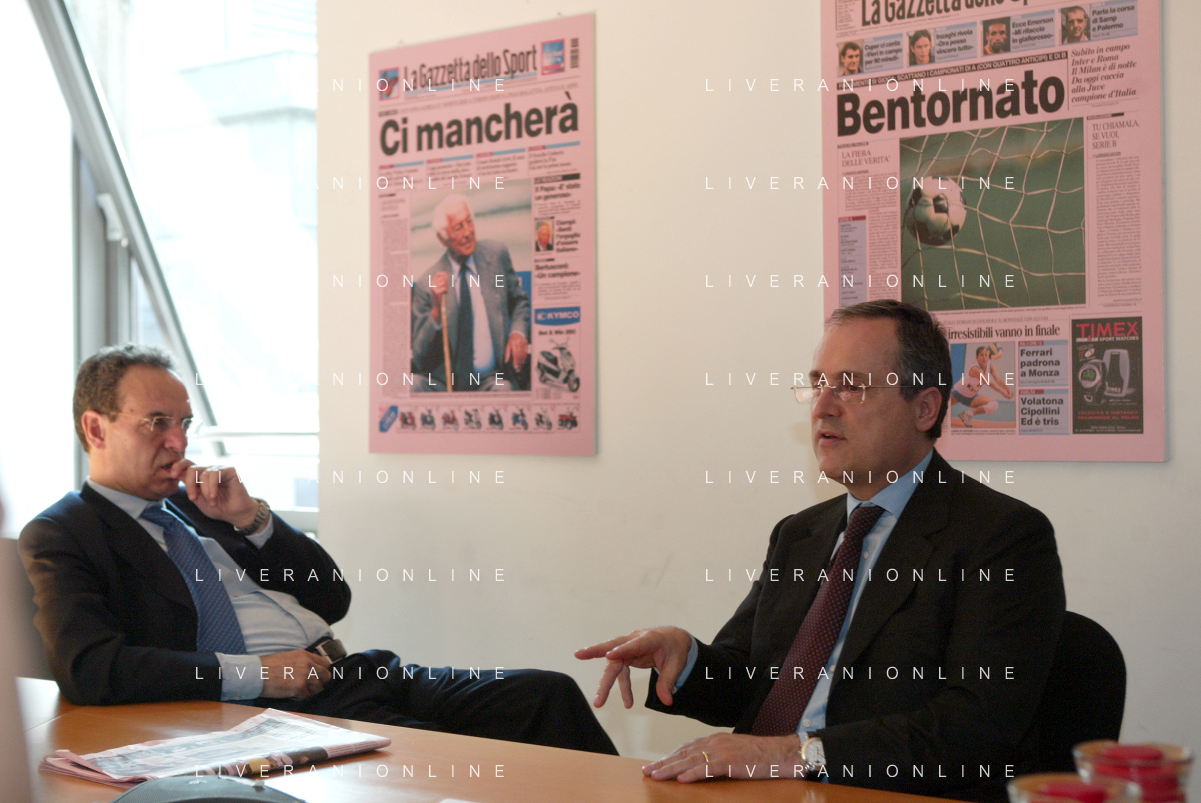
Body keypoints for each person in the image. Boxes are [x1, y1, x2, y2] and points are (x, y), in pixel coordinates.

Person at [20, 345, 615, 754]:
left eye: (185, 423)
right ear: (96, 429)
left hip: (354, 670)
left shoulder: (198, 503)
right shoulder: (63, 533)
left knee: (546, 695)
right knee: (447, 755)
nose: (179, 442)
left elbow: (332, 598)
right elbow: (91, 669)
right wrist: (263, 674)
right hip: (273, 710)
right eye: (156, 423)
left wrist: (252, 519)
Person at [577, 300, 1065, 800]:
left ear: (924, 408)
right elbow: (753, 684)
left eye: (851, 387)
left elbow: (977, 729)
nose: (822, 407)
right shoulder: (799, 534)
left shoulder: (1002, 537)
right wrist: (685, 657)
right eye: (818, 385)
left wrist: (795, 755)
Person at [411, 194, 531, 392]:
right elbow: (419, 358)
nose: (468, 232)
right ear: (442, 238)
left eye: (469, 222)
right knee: (412, 384)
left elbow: (519, 300)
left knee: (504, 389)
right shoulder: (427, 284)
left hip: (491, 380)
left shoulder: (496, 256)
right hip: (445, 385)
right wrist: (435, 311)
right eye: (458, 227)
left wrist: (518, 332)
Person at [953, 345, 1014, 428]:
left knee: (994, 404)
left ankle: (967, 414)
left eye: (986, 355)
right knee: (942, 408)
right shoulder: (975, 369)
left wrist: (1008, 388)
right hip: (958, 393)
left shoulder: (991, 366)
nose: (984, 357)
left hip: (971, 397)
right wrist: (1003, 393)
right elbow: (989, 382)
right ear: (977, 357)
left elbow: (998, 379)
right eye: (982, 355)